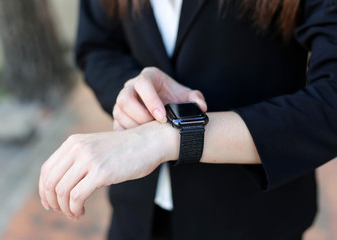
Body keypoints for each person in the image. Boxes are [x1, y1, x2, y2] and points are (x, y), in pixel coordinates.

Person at [39, 0, 337, 239]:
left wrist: (173, 138)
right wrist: (135, 94)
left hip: (253, 217)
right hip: (138, 211)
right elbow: (98, 47)